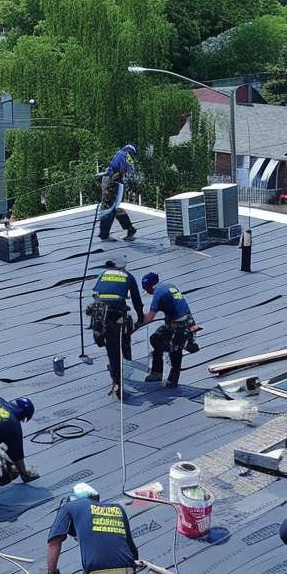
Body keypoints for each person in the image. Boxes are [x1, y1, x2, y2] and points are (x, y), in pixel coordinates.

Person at [90, 255, 144, 397]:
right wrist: (140, 318)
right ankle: (118, 380)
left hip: (99, 314)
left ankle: (100, 336)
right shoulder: (128, 276)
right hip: (115, 314)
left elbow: (96, 294)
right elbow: (136, 300)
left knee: (111, 349)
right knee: (118, 346)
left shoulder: (103, 274)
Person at [140, 272, 199, 388]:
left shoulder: (158, 293)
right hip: (186, 321)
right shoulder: (169, 286)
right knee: (156, 338)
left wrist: (137, 320)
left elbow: (149, 318)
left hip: (180, 326)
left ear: (150, 287)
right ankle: (158, 371)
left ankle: (172, 381)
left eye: (146, 290)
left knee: (175, 351)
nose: (147, 293)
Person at [97, 144, 137, 241]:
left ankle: (104, 235)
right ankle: (130, 229)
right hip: (115, 183)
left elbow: (119, 171)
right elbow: (123, 170)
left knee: (109, 209)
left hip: (113, 183)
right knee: (114, 208)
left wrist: (110, 182)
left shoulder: (121, 154)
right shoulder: (124, 155)